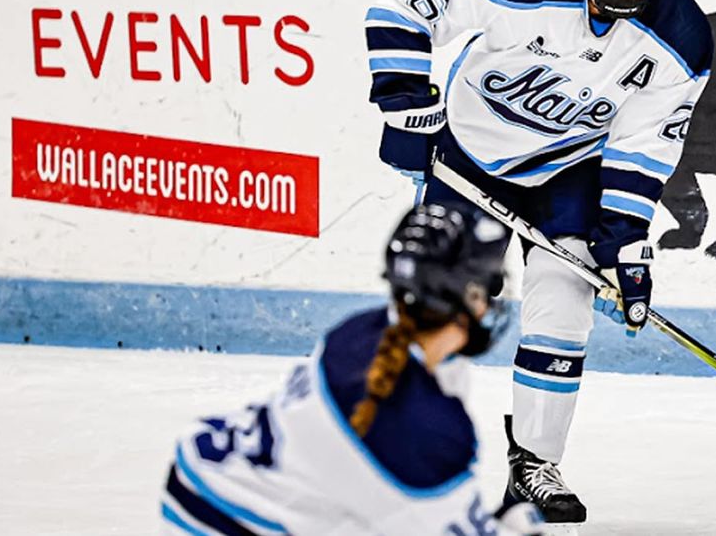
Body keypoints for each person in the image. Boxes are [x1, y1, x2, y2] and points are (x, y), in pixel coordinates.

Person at [365, 0, 713, 526]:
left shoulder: (683, 39)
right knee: (434, 305)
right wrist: (407, 105)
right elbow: (399, 6)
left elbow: (643, 150)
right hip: (467, 153)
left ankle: (534, 461)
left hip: (568, 172)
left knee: (565, 297)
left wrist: (626, 248)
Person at [160, 203, 542, 535]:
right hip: (224, 519)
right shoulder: (421, 430)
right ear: (470, 297)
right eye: (489, 286)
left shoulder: (362, 332)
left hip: (209, 473)